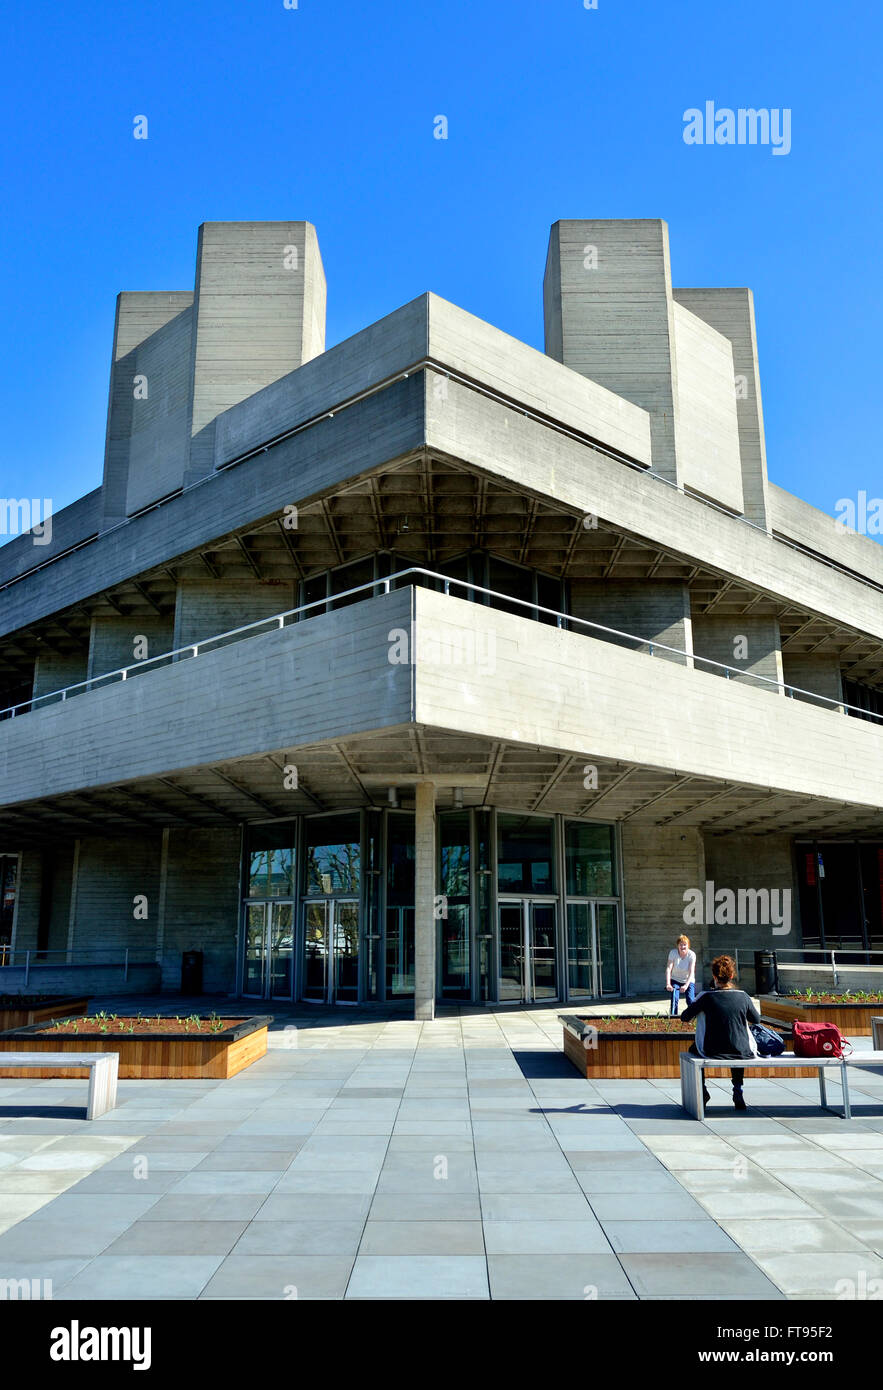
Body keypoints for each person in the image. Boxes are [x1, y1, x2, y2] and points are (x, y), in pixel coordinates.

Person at [681, 955, 760, 1111]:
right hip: (741, 1049)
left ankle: (703, 1092)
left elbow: (685, 1017)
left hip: (712, 1049)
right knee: (736, 1044)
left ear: (714, 976)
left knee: (693, 1050)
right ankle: (738, 1090)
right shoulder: (743, 996)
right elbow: (756, 1019)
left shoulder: (706, 997)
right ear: (731, 976)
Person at [665, 934, 696, 1015]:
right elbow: (669, 968)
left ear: (688, 945)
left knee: (690, 1000)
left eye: (684, 944)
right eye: (680, 944)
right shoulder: (673, 953)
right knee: (674, 998)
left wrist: (686, 985)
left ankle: (692, 1018)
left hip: (688, 980)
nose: (682, 946)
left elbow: (691, 971)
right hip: (675, 979)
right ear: (677, 945)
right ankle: (673, 1017)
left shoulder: (692, 955)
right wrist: (668, 984)